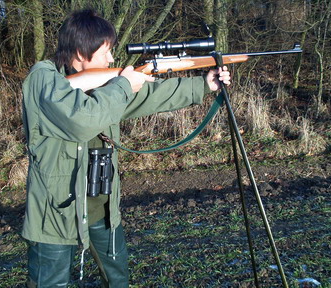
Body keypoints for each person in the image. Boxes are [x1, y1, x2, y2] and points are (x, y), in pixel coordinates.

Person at [21, 9, 231, 288]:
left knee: (118, 280)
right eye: (106, 51)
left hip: (103, 209)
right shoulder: (43, 79)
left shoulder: (107, 83)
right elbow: (81, 121)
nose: (111, 59)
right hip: (55, 215)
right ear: (82, 53)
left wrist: (204, 85)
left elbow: (152, 95)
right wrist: (122, 85)